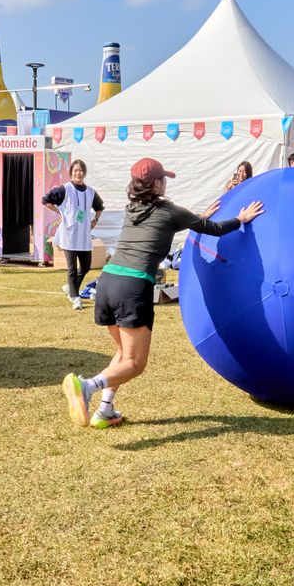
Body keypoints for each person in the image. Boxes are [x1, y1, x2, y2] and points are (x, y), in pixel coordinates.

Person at [61, 157, 263, 430]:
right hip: (132, 287)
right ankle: (86, 387)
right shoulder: (170, 210)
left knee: (122, 354)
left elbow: (164, 226)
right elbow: (212, 229)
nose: (165, 182)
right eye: (163, 178)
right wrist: (241, 218)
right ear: (156, 183)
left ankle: (105, 410)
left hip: (107, 282)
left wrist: (197, 217)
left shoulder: (132, 208)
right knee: (134, 363)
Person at [43, 159, 105, 308]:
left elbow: (99, 206)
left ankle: (70, 288)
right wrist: (59, 211)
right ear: (71, 173)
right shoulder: (65, 189)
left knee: (85, 266)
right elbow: (46, 200)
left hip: (83, 236)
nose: (78, 173)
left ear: (84, 173)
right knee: (72, 267)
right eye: (75, 170)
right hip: (69, 234)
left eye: (81, 170)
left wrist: (95, 220)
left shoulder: (90, 192)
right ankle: (75, 297)